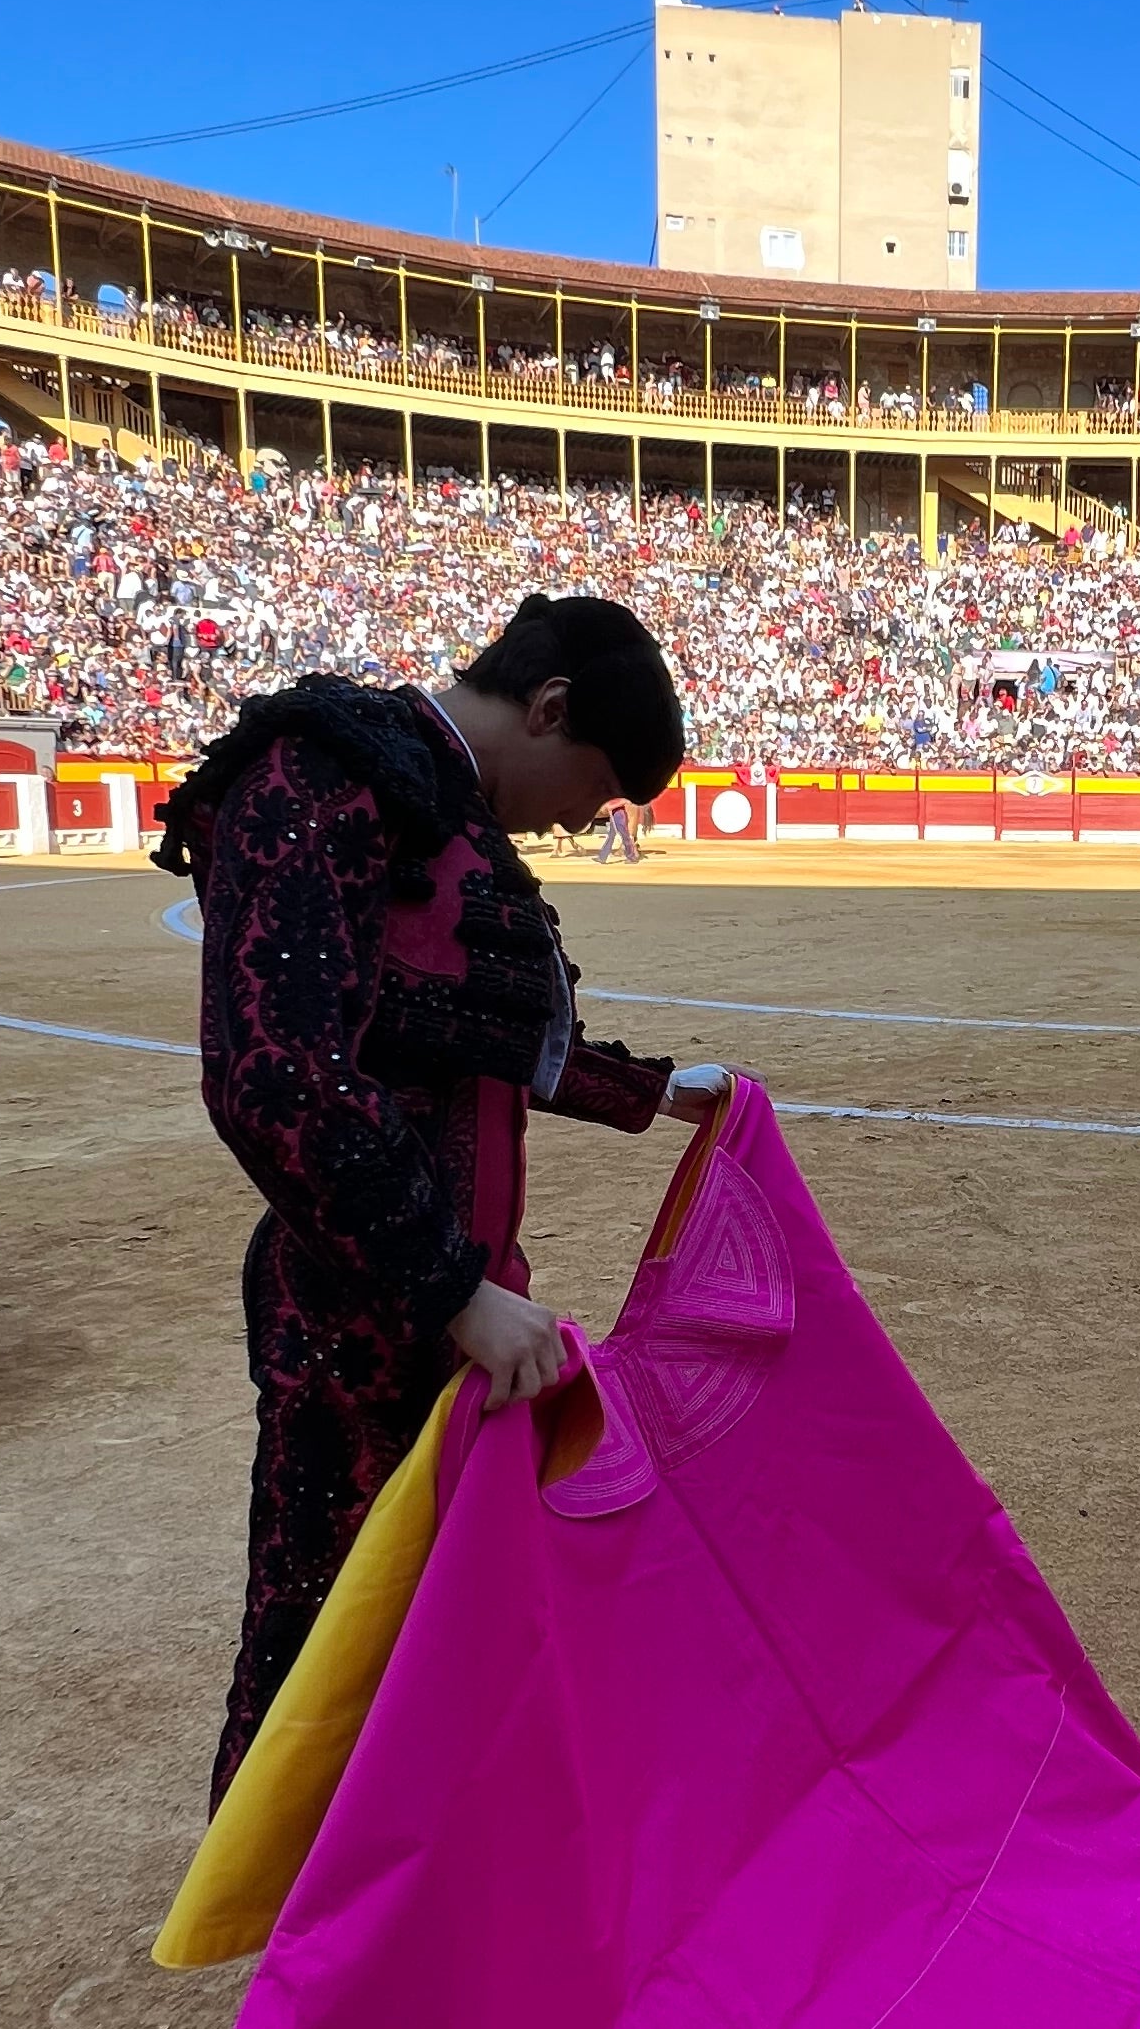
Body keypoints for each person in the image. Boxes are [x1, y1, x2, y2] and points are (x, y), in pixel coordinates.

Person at [156, 595, 731, 1805]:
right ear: (551, 707)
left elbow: (475, 1030)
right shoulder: (320, 772)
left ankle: (427, 1898)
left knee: (444, 1636)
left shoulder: (426, 792)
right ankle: (288, 1911)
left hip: (457, 1312)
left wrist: (653, 1091)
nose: (581, 818)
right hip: (356, 1319)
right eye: (595, 787)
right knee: (327, 1641)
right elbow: (276, 1076)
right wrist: (453, 1289)